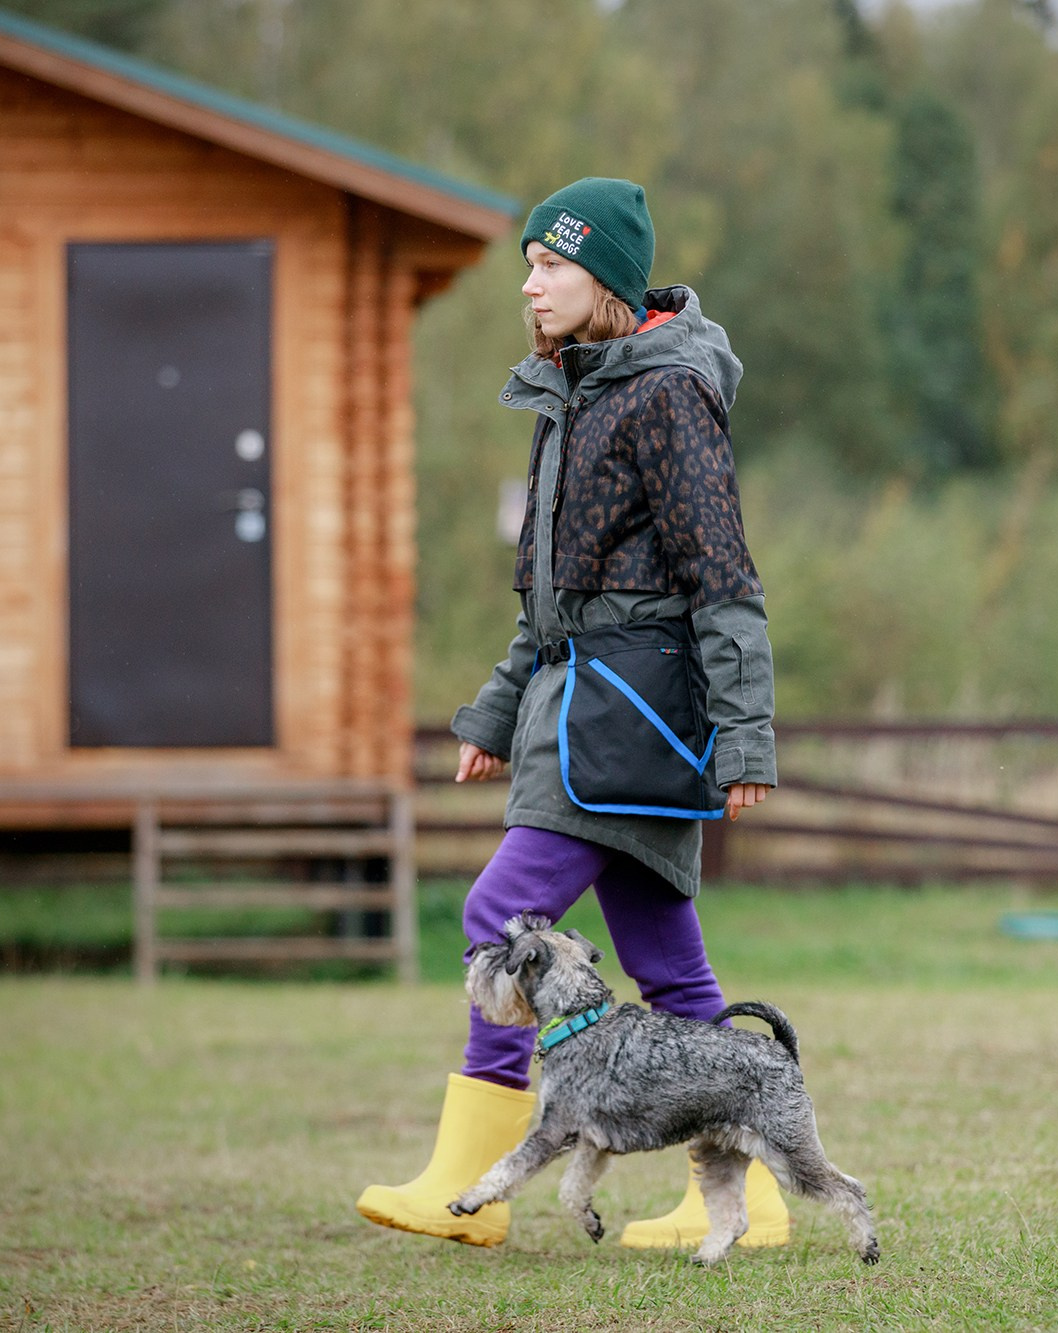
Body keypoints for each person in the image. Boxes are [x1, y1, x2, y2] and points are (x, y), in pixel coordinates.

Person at [355, 178, 784, 1250]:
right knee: (672, 969)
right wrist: (497, 711)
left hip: (624, 718)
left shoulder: (667, 393)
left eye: (551, 264)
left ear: (609, 279)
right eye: (529, 264)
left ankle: (472, 1183)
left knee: (496, 920)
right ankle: (749, 1196)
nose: (528, 284)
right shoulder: (572, 390)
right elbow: (552, 597)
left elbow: (723, 577)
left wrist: (745, 734)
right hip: (569, 709)